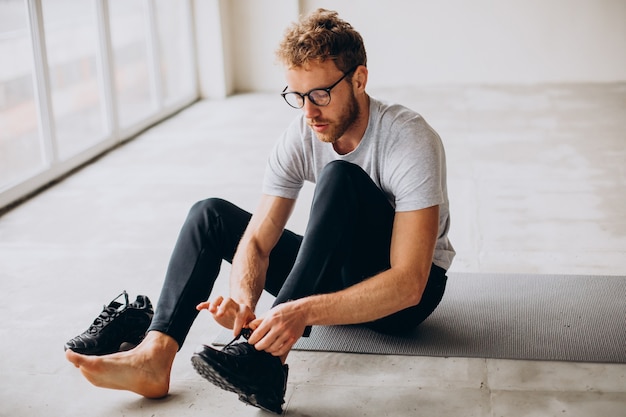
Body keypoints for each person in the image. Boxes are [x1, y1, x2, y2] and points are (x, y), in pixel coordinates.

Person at [65, 8, 455, 414]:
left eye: (320, 94)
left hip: (404, 301)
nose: (309, 113)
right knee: (210, 215)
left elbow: (410, 283)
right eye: (297, 96)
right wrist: (243, 302)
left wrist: (298, 311)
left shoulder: (409, 139)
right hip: (337, 276)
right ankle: (154, 356)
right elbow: (255, 240)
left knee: (340, 178)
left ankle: (265, 360)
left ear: (359, 79)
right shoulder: (302, 134)